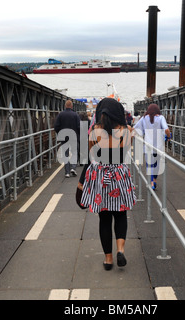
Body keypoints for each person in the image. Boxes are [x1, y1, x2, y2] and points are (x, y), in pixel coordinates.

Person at [80, 98, 136, 271]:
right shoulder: (126, 130)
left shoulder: (95, 131)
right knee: (120, 215)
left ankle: (108, 259)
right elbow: (127, 150)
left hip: (101, 176)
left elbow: (91, 154)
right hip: (119, 174)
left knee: (104, 219)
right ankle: (120, 249)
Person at [133, 104, 170, 190]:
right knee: (156, 165)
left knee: (149, 165)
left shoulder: (144, 118)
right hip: (158, 147)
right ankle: (154, 180)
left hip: (147, 146)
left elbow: (135, 128)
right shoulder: (161, 118)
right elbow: (167, 130)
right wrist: (168, 136)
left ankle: (151, 181)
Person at [54, 100, 81, 178]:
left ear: (65, 106)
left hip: (64, 137)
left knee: (65, 154)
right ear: (72, 106)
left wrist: (60, 133)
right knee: (74, 152)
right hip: (74, 137)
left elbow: (56, 126)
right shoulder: (75, 115)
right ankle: (73, 168)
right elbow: (79, 127)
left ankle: (67, 172)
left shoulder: (60, 115)